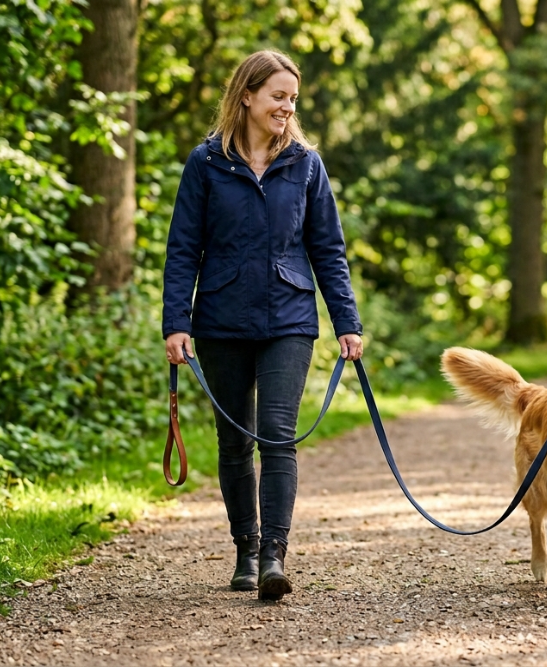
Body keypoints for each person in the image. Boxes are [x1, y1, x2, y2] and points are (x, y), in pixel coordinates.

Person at [161, 50, 364, 602]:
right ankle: (245, 550)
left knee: (277, 434)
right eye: (278, 96)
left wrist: (347, 322)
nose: (287, 107)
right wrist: (176, 322)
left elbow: (328, 250)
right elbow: (183, 249)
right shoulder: (205, 163)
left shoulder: (306, 164)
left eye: (292, 98)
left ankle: (275, 554)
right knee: (234, 441)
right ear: (246, 95)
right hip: (220, 320)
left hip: (289, 319)